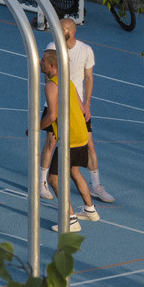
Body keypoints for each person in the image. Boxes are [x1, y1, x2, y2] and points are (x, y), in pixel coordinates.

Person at [43, 17, 113, 204]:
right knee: (51, 141)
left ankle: (96, 185)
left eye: (62, 28)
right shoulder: (53, 46)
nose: (58, 31)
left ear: (72, 32)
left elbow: (89, 78)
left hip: (77, 106)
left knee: (89, 144)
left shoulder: (85, 50)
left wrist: (87, 105)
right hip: (58, 103)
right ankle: (42, 182)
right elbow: (48, 76)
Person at [40, 49, 98, 224]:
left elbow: (51, 116)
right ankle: (90, 210)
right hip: (81, 134)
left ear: (51, 65)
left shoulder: (51, 86)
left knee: (53, 179)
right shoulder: (68, 82)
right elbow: (82, 109)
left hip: (70, 138)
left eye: (43, 60)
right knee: (74, 171)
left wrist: (35, 127)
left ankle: (70, 220)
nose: (40, 62)